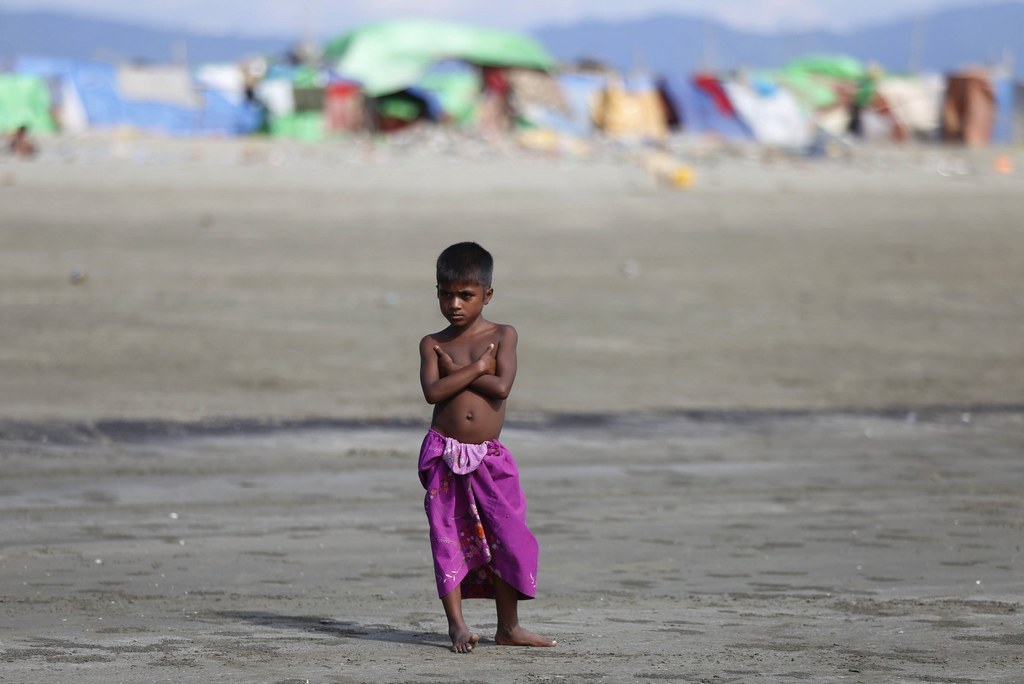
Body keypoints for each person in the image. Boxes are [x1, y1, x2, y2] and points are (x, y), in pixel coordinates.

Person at [417, 242, 556, 653]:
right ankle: (457, 626)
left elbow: (501, 386)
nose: (455, 304)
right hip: (444, 453)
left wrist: (465, 369)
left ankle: (508, 626)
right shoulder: (431, 342)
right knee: (448, 536)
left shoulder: (503, 335)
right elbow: (432, 392)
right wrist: (478, 368)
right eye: (446, 294)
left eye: (466, 295)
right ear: (437, 292)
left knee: (507, 535)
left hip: (490, 458)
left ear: (487, 295)